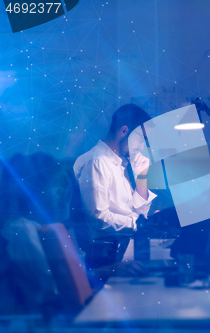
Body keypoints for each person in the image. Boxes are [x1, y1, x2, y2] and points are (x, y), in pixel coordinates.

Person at [73, 104, 157, 269]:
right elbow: (98, 218)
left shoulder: (121, 164)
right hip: (102, 259)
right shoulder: (96, 161)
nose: (143, 146)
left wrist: (141, 177)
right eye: (141, 139)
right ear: (124, 131)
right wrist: (137, 224)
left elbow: (139, 213)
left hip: (122, 254)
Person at [0, 153, 73, 315]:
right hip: (49, 316)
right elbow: (58, 285)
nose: (62, 192)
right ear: (40, 188)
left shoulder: (35, 227)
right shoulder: (23, 230)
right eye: (56, 184)